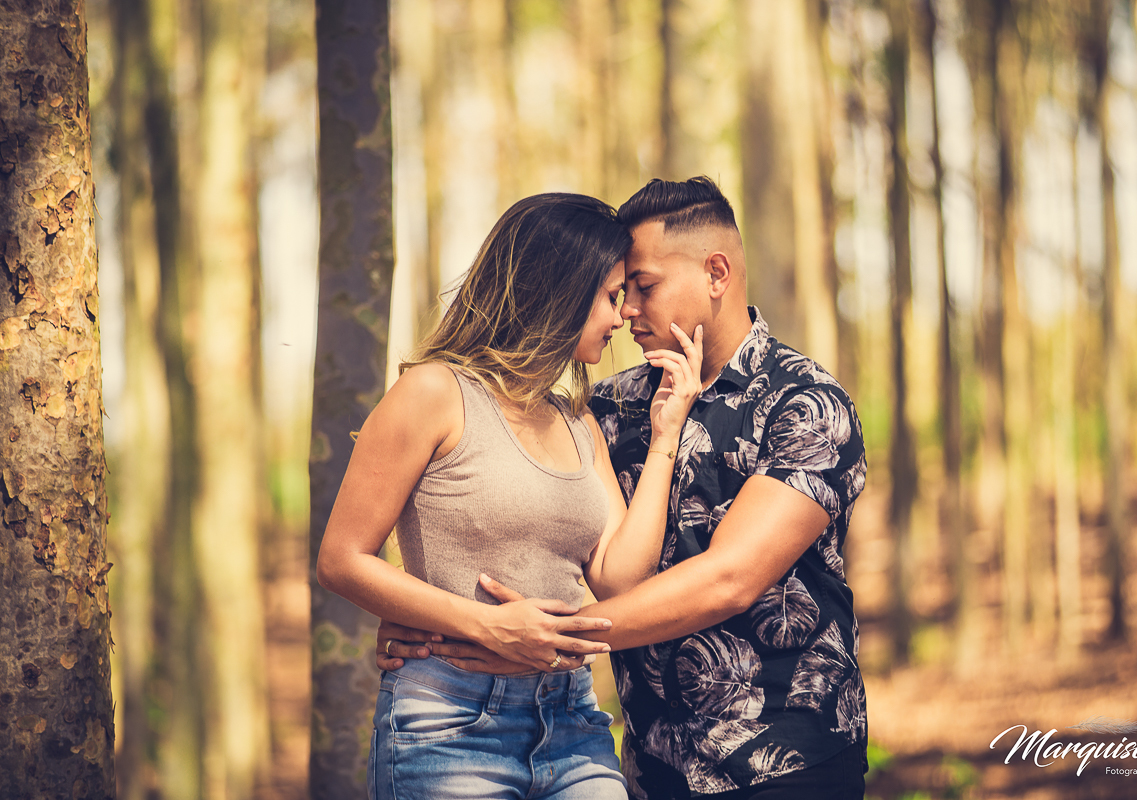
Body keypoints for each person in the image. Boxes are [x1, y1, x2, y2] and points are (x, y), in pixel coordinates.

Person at [378, 177, 869, 799]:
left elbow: (730, 578)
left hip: (786, 762)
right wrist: (438, 623)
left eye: (645, 286)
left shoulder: (807, 405)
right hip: (649, 767)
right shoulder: (606, 409)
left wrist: (545, 642)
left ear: (716, 273)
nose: (627, 309)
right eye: (619, 291)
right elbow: (522, 521)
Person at [316, 192, 705, 800]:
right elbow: (341, 559)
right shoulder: (434, 392)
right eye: (611, 296)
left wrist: (666, 436)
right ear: (560, 291)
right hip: (450, 723)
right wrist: (486, 626)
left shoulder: (579, 423)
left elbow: (619, 580)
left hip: (572, 720)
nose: (623, 315)